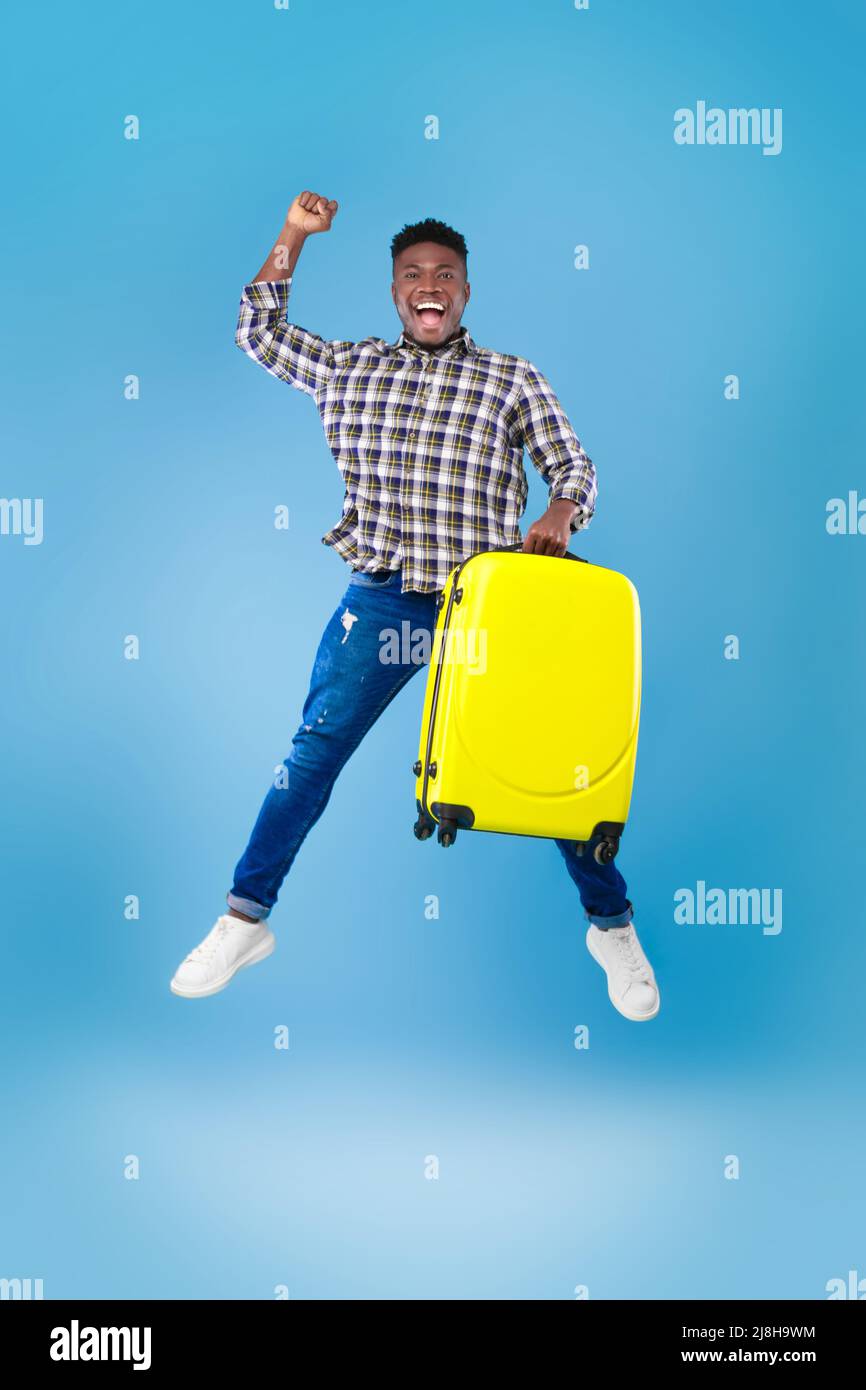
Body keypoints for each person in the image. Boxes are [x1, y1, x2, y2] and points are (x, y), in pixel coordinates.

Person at [170, 191, 660, 1021]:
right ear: (395, 291)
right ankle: (243, 919)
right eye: (412, 275)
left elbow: (574, 469)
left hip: (491, 602)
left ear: (465, 291)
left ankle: (610, 926)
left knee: (553, 754)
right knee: (316, 749)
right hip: (387, 595)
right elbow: (258, 330)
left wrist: (558, 513)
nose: (428, 285)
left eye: (445, 275)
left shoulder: (511, 379)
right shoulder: (351, 366)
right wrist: (294, 234)